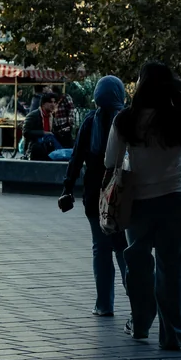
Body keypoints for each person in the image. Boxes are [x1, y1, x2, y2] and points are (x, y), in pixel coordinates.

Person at [107, 61, 181, 351]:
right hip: (174, 199)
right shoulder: (179, 118)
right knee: (171, 267)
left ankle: (140, 322)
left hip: (137, 202)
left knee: (137, 264)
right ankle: (172, 333)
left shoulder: (125, 120)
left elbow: (110, 160)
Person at [60, 75, 130, 316]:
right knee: (123, 247)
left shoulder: (90, 121)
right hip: (123, 193)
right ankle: (136, 300)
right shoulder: (128, 120)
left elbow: (76, 157)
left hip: (95, 194)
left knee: (101, 248)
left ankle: (104, 304)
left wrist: (67, 188)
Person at [23, 92, 60, 160]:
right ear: (43, 103)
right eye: (50, 102)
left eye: (54, 102)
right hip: (35, 149)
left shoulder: (52, 117)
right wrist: (43, 133)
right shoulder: (33, 115)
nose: (53, 104)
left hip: (49, 149)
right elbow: (26, 132)